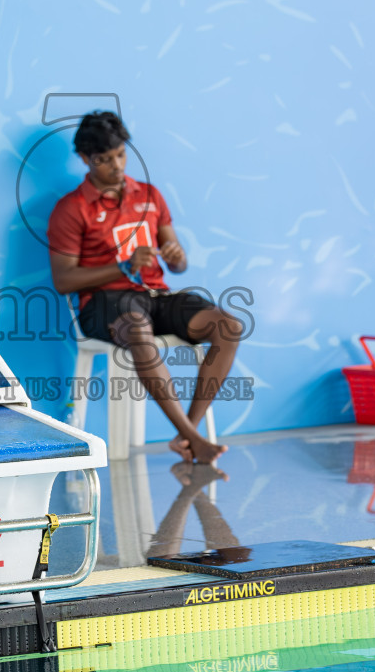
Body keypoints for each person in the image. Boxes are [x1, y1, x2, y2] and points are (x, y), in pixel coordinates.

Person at [47, 111, 244, 466]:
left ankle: (188, 435)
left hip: (156, 297)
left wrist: (176, 255)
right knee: (137, 329)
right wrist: (123, 267)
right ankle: (194, 439)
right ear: (84, 160)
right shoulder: (71, 209)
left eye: (120, 155)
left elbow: (178, 265)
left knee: (228, 325)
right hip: (103, 304)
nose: (116, 166)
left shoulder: (149, 195)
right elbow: (64, 281)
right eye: (103, 160)